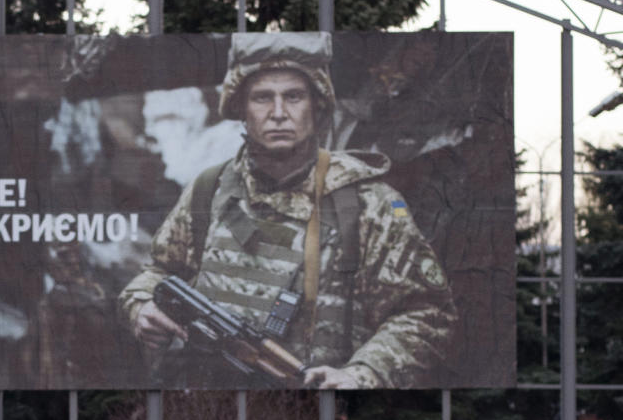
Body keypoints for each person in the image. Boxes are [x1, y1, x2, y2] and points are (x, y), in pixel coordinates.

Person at [118, 32, 457, 389]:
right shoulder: (209, 190)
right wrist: (140, 306)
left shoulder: (369, 204)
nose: (278, 113)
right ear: (241, 110)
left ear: (317, 107)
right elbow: (158, 270)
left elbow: (427, 313)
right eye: (262, 98)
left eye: (293, 97)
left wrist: (363, 373)